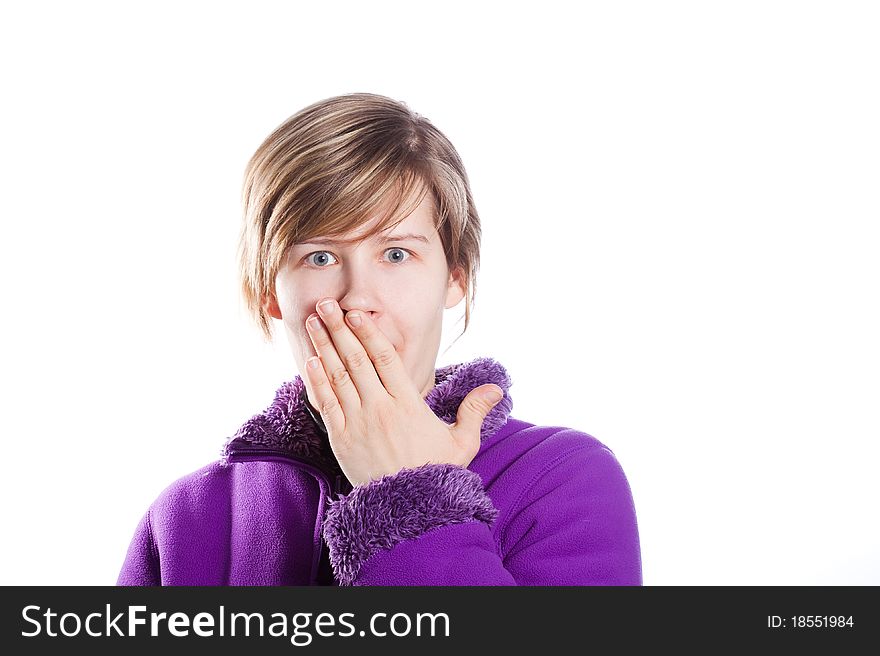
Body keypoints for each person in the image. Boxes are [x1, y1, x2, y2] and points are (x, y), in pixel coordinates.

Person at [116, 92, 643, 586]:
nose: (356, 298)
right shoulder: (188, 517)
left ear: (454, 276)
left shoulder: (563, 479)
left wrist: (410, 493)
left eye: (396, 254)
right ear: (269, 292)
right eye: (319, 257)